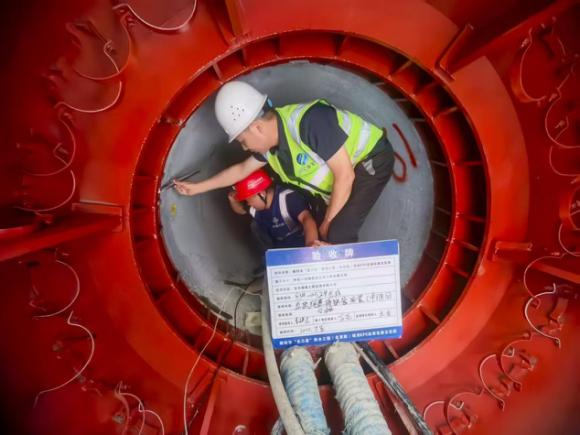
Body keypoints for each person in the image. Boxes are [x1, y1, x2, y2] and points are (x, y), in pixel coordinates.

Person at [174, 80, 394, 244]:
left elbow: (345, 176)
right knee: (319, 233)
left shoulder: (309, 122)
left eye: (242, 141)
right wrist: (198, 188)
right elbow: (241, 170)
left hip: (370, 159)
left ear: (257, 128)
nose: (245, 148)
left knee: (337, 232)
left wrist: (327, 223)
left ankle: (353, 285)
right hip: (342, 181)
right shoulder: (272, 151)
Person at [227, 168, 321, 249]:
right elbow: (241, 210)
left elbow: (307, 219)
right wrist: (232, 200)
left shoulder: (288, 198)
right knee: (254, 226)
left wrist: (310, 247)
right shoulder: (257, 207)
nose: (248, 203)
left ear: (261, 194)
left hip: (298, 243)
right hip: (277, 246)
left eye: (249, 199)